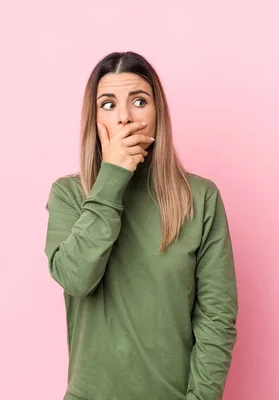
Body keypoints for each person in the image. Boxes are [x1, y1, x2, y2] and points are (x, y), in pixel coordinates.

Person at [43, 51, 238, 400]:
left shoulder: (200, 197)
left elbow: (216, 318)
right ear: (93, 118)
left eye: (138, 101)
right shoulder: (69, 195)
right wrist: (113, 176)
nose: (125, 118)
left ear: (158, 112)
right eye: (108, 104)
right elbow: (75, 278)